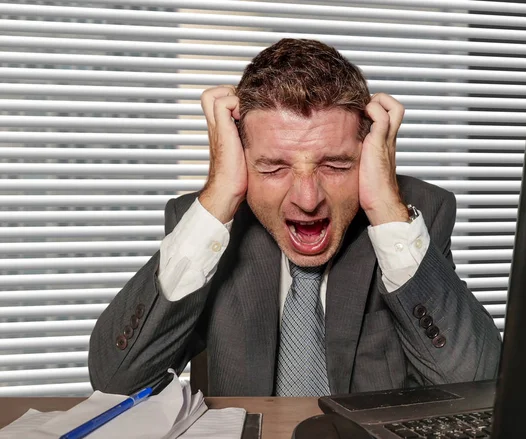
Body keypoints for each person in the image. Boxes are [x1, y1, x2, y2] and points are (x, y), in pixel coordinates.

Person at [88, 38, 502, 397]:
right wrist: (218, 199)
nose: (307, 200)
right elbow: (116, 383)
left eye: (336, 165)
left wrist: (386, 211)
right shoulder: (209, 225)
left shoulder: (413, 214)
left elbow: (476, 385)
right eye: (273, 168)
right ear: (241, 161)